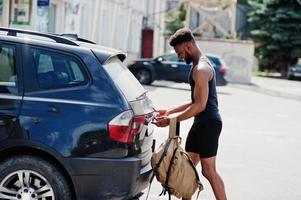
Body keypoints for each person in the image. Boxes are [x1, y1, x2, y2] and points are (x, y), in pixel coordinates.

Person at [153, 28, 227, 200]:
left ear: (188, 46)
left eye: (179, 52)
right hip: (201, 123)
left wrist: (171, 121)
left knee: (209, 171)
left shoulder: (201, 69)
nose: (179, 56)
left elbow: (200, 105)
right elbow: (195, 100)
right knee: (187, 168)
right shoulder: (197, 65)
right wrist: (169, 111)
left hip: (208, 123)